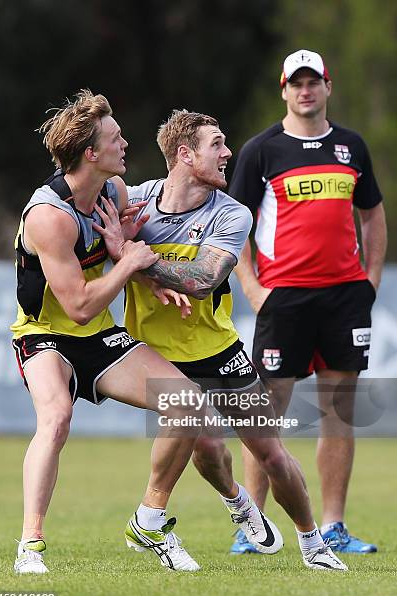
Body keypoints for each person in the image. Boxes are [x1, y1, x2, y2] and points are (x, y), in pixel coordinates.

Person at [98, 109, 347, 570]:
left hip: (217, 350)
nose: (228, 153)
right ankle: (236, 503)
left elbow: (205, 277)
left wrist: (130, 256)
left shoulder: (230, 212)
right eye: (217, 144)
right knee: (209, 449)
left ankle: (313, 544)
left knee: (270, 452)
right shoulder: (132, 201)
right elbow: (79, 214)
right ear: (185, 154)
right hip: (155, 358)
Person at [11, 90, 208, 574]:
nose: (126, 143)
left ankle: (149, 520)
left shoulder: (113, 192)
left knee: (187, 404)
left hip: (98, 335)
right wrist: (134, 264)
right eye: (116, 138)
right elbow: (77, 305)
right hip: (45, 336)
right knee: (56, 418)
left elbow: (120, 254)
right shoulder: (48, 218)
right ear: (90, 154)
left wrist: (144, 271)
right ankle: (29, 546)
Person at [229, 49, 387, 554]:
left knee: (339, 412)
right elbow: (234, 226)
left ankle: (335, 526)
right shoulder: (262, 150)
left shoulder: (350, 146)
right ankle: (253, 529)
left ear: (327, 86)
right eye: (296, 83)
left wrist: (371, 279)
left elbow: (373, 216)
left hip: (345, 298)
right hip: (285, 299)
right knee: (264, 416)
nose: (305, 90)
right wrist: (252, 288)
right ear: (283, 90)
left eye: (313, 82)